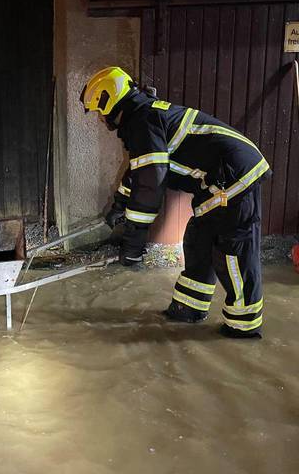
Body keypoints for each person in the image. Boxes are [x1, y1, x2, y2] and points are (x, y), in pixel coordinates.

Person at [81, 66, 271, 339]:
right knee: (198, 240)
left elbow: (151, 182)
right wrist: (119, 204)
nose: (100, 119)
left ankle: (243, 327)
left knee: (233, 253)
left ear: (107, 100)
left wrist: (134, 240)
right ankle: (188, 309)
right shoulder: (143, 117)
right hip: (217, 182)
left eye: (98, 112)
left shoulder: (144, 120)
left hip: (235, 178)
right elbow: (140, 169)